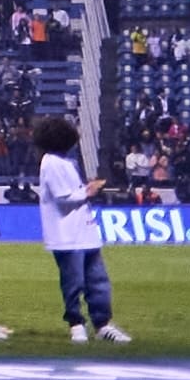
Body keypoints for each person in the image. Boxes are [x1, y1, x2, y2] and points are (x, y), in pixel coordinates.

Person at [33, 114, 124, 344]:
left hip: (85, 231)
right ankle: (76, 324)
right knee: (74, 283)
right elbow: (63, 197)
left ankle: (102, 325)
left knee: (98, 282)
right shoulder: (51, 162)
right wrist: (88, 191)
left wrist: (86, 190)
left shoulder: (67, 163)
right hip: (65, 234)